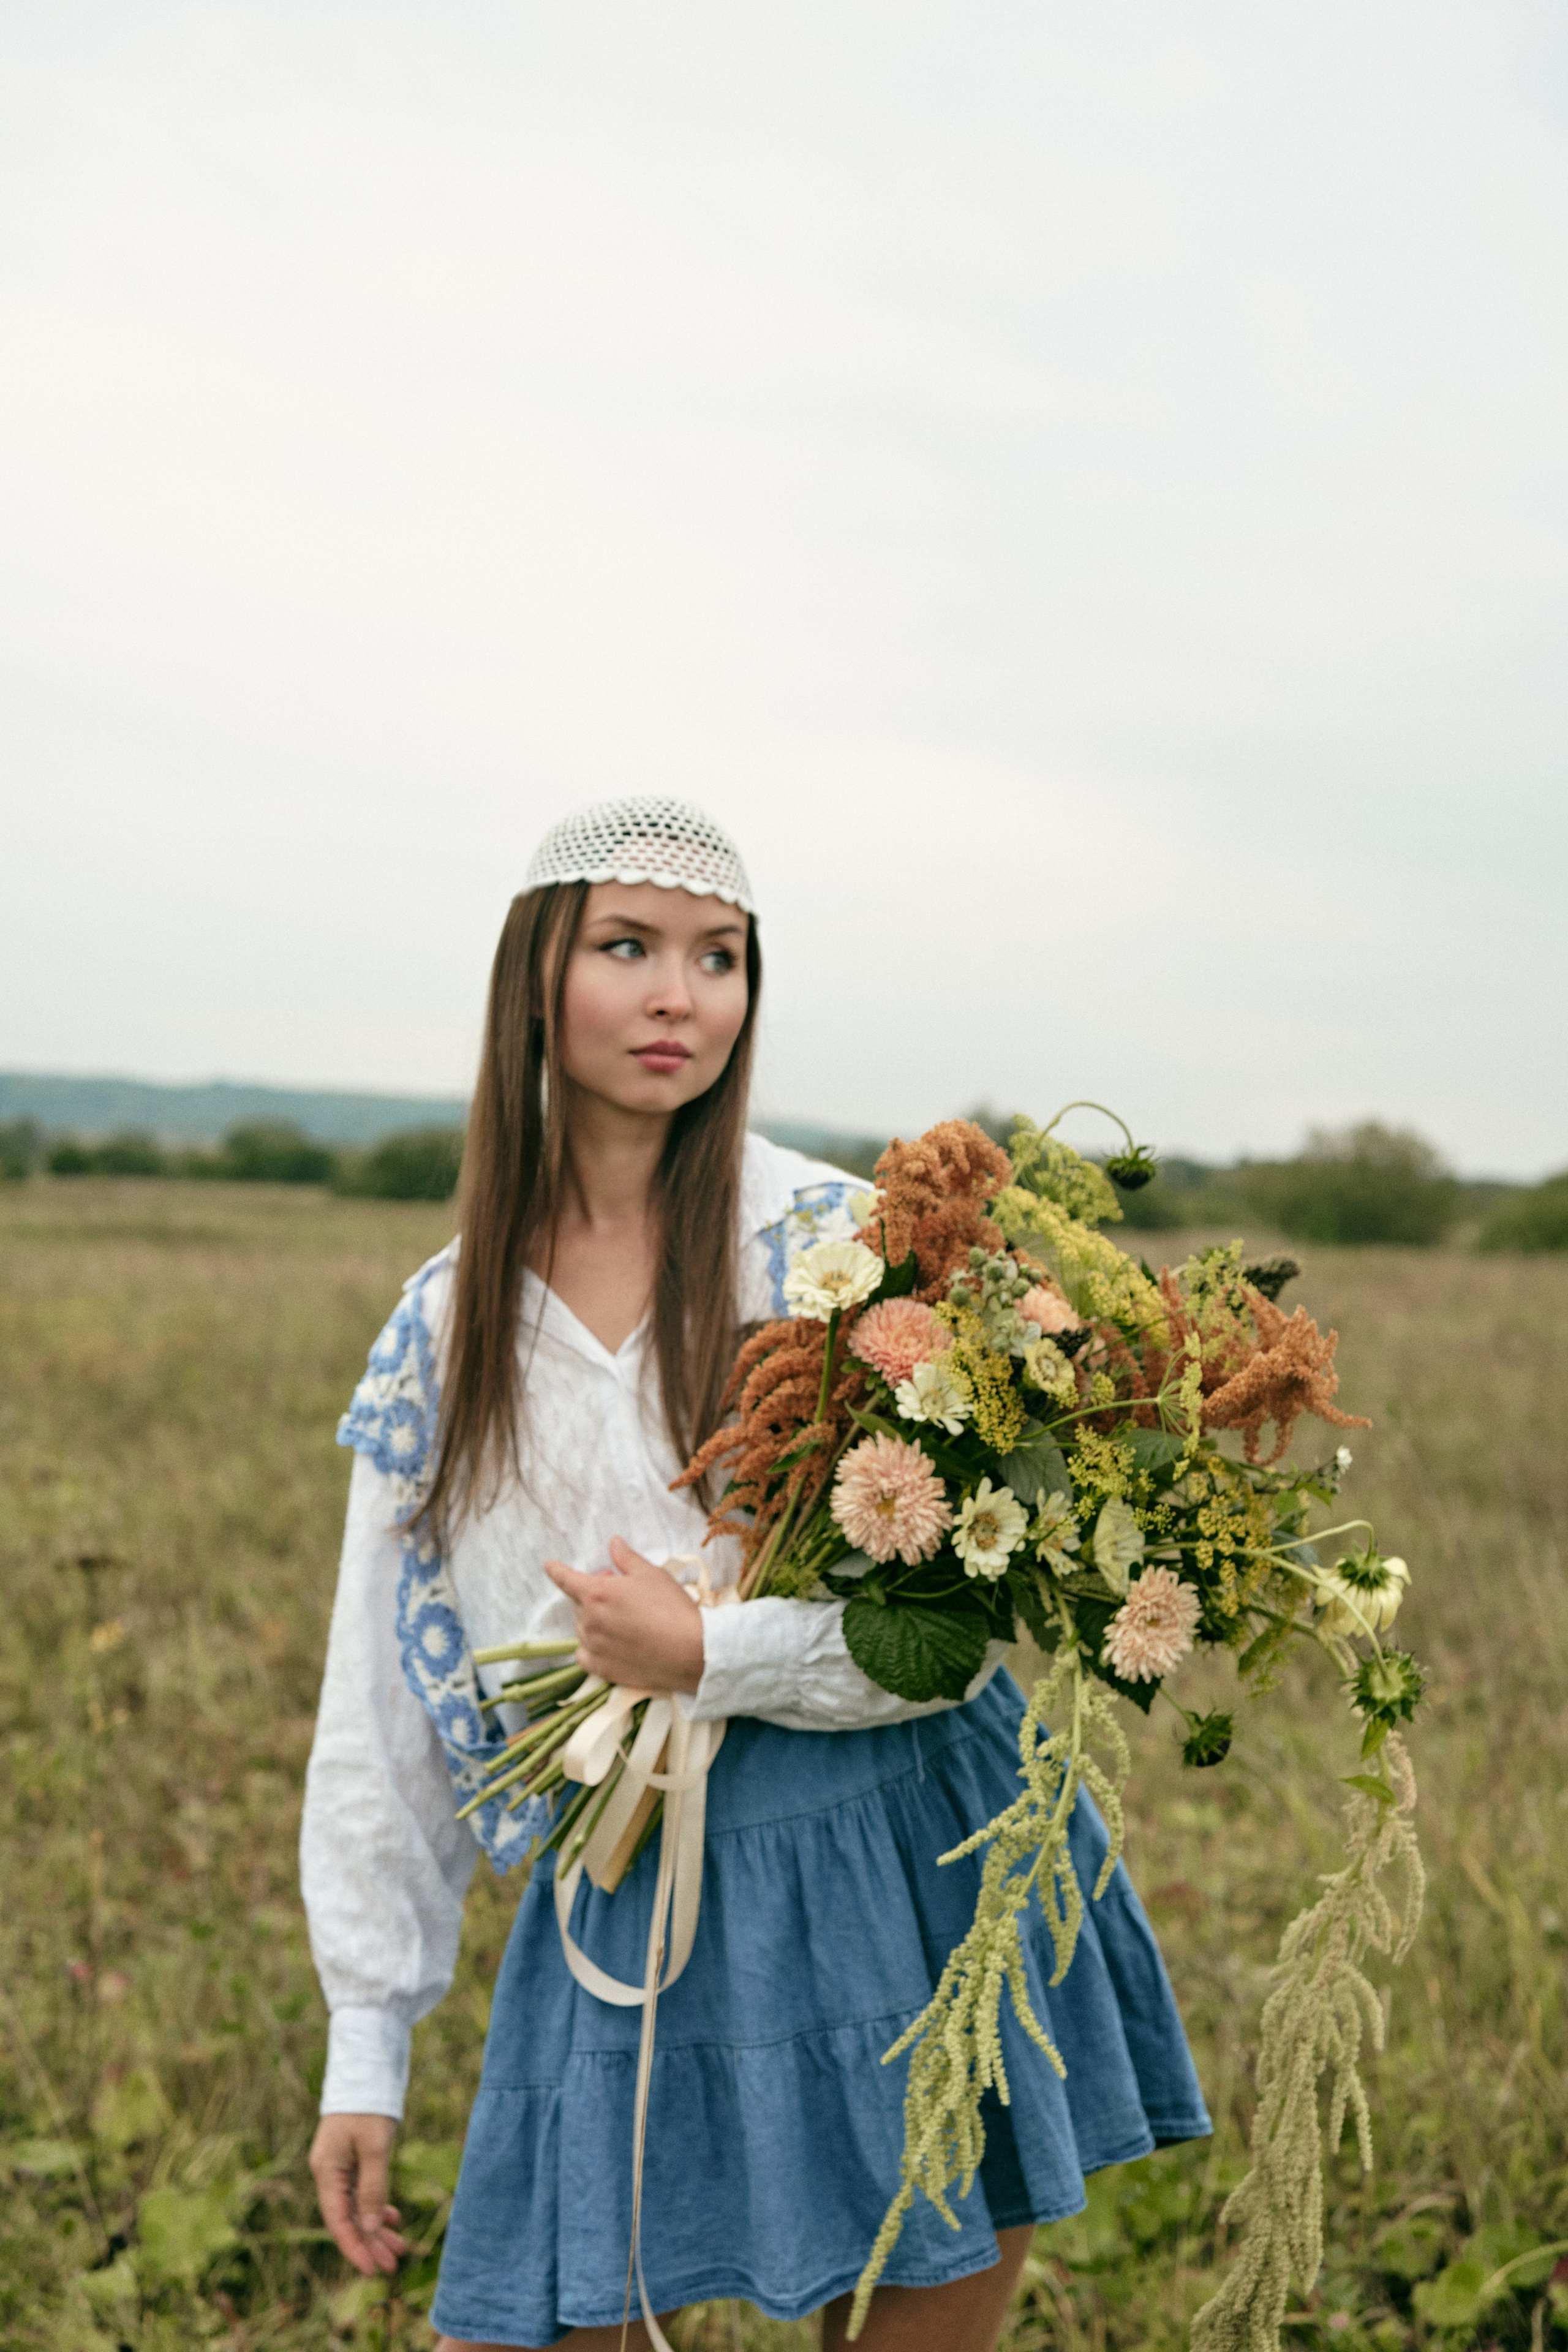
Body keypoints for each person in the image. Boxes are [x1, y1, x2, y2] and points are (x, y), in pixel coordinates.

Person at [301, 797, 1210, 2352]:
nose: (680, 996)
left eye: (717, 958)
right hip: (623, 1868)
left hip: (897, 1842)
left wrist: (713, 1655)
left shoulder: (836, 1252)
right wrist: (364, 2045)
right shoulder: (447, 1323)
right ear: (534, 977)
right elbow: (382, 1703)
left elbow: (950, 1631)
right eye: (628, 948)